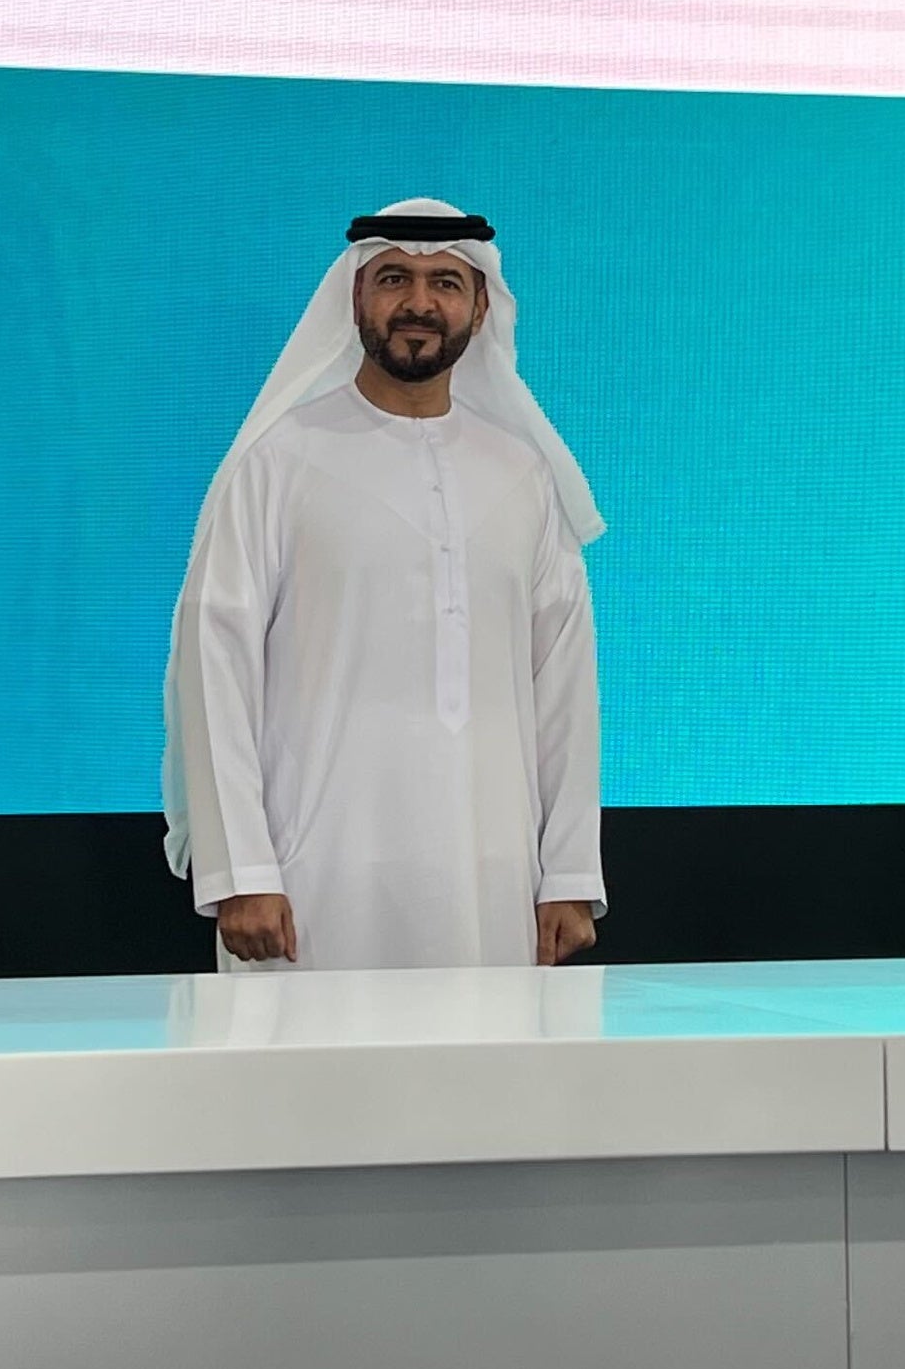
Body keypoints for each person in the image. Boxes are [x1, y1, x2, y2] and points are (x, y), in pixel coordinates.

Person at [165, 201, 607, 971]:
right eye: (394, 278)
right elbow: (214, 664)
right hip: (311, 879)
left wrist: (567, 873)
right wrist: (241, 871)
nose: (419, 302)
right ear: (356, 296)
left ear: (481, 307)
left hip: (490, 878)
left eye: (446, 283)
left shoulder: (524, 476)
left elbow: (564, 686)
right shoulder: (279, 460)